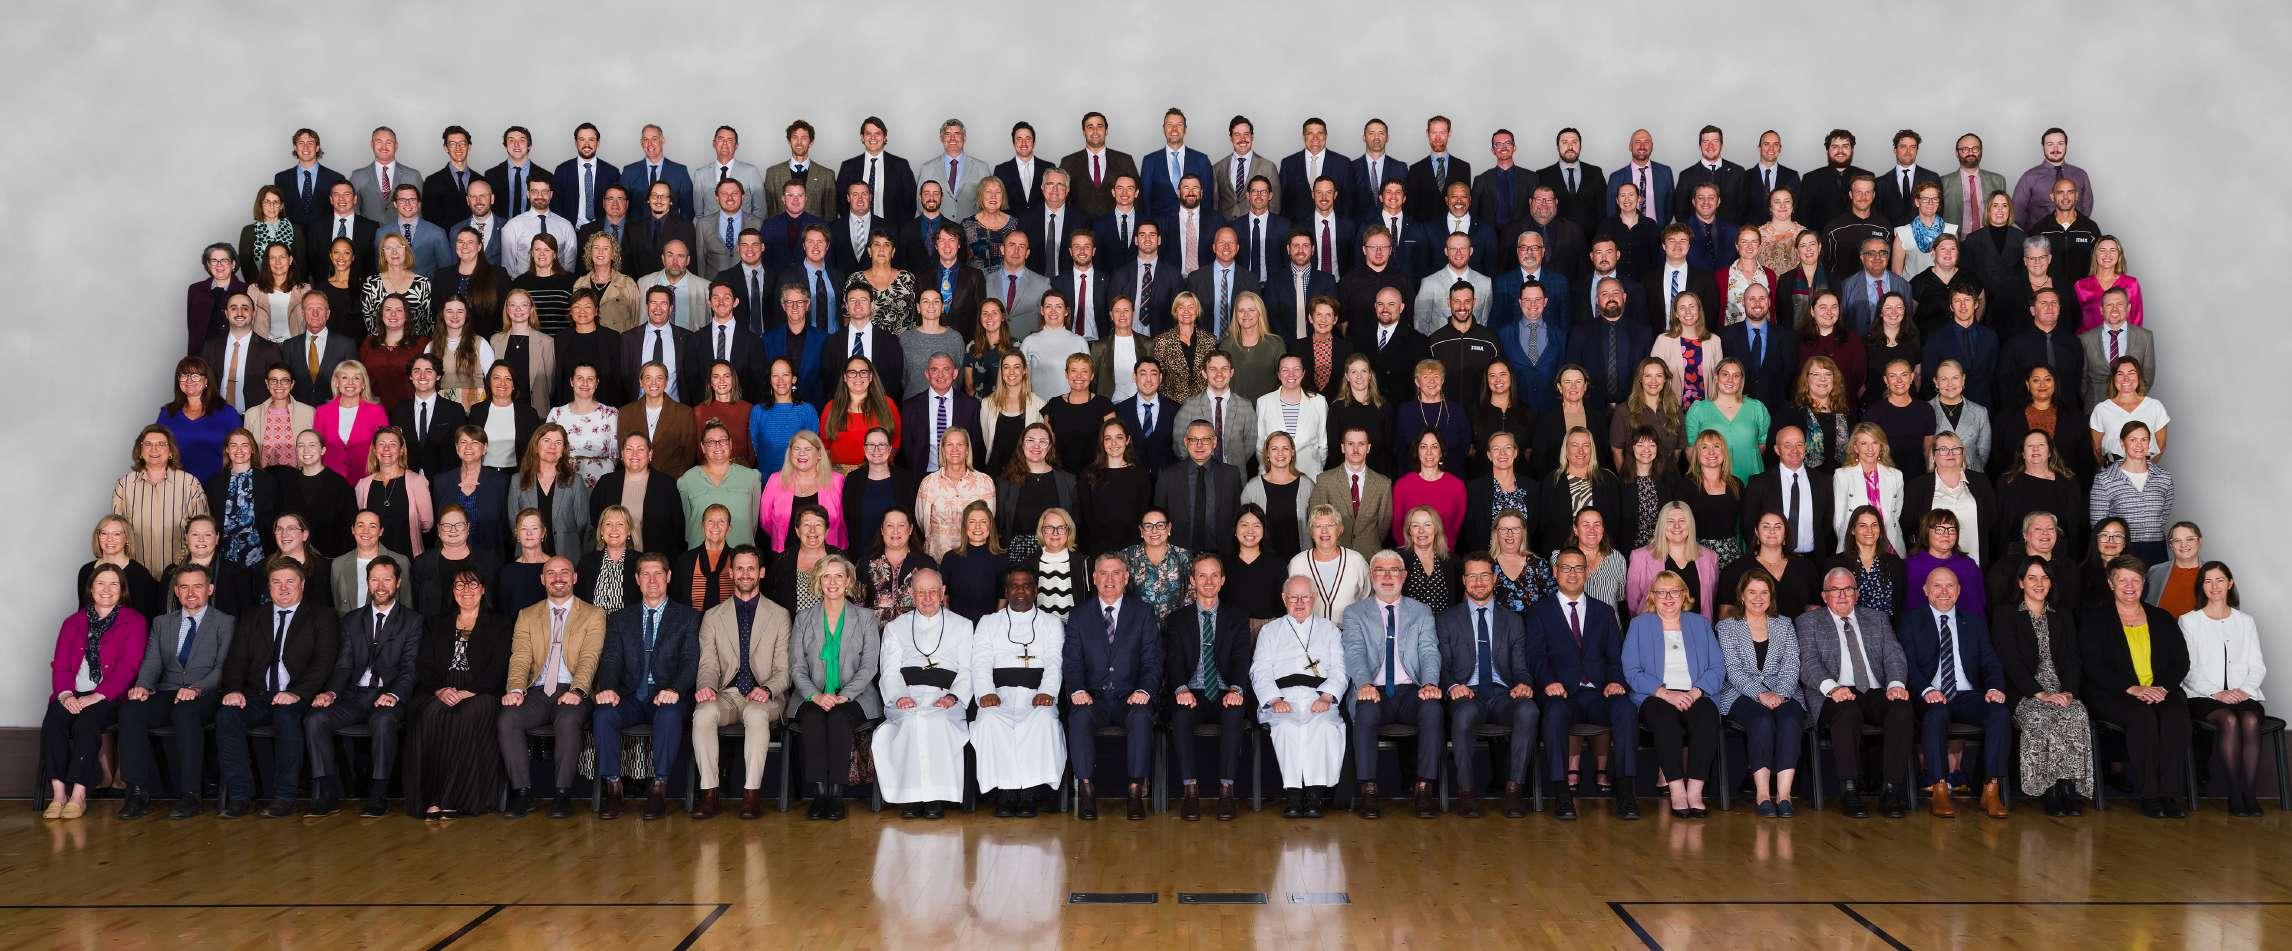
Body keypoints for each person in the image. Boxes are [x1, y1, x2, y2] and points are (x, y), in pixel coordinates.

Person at [214, 557, 341, 818]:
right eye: (276, 582)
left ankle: (285, 796)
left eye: (290, 581)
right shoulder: (253, 616)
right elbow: (237, 659)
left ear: (302, 585)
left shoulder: (322, 616)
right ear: (269, 586)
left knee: (285, 717)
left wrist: (297, 693)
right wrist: (234, 689)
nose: (283, 588)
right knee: (227, 716)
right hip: (258, 694)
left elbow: (323, 663)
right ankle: (239, 796)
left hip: (300, 695)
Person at [302, 558, 421, 817]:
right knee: (315, 719)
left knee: (383, 721)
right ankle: (327, 790)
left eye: (387, 579)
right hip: (354, 696)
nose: (380, 586)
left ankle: (378, 794)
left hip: (389, 697)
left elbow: (410, 669)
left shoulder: (412, 621)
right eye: (374, 579)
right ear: (367, 583)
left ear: (398, 583)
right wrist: (331, 692)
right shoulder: (352, 620)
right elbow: (344, 665)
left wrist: (393, 694)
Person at [115, 564, 233, 820]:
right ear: (177, 592)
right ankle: (137, 792)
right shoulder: (162, 623)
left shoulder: (225, 622)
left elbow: (223, 668)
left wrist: (196, 688)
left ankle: (190, 795)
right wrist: (143, 685)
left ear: (210, 589)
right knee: (131, 711)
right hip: (168, 690)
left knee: (185, 712)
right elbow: (152, 661)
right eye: (184, 587)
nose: (191, 593)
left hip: (207, 692)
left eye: (198, 586)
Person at [1797, 566, 1915, 819]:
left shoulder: (1877, 618)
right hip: (1833, 692)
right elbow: (1808, 663)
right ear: (1824, 596)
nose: (1842, 595)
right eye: (1834, 590)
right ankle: (1850, 790)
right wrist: (1833, 688)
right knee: (1847, 712)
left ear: (1857, 593)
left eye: (1848, 589)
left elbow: (1894, 655)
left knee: (1902, 710)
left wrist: (1896, 684)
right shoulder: (1808, 622)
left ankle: (1891, 790)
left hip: (1875, 690)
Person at [590, 553, 700, 821]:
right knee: (603, 714)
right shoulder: (620, 618)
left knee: (669, 715)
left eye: (658, 573)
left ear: (668, 577)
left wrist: (675, 690)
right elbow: (611, 658)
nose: (652, 580)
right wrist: (608, 687)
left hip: (667, 695)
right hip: (629, 695)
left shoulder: (687, 617)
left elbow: (690, 661)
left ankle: (659, 788)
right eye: (646, 574)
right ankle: (613, 787)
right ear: (637, 579)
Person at [1897, 567, 2013, 819]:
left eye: (1950, 586)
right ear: (1926, 590)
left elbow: (1991, 662)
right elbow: (1907, 665)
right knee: (1936, 714)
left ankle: (1991, 789)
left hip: (1966, 694)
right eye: (1937, 586)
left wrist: (1994, 688)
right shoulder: (1910, 621)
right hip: (1929, 695)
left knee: (1999, 713)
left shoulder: (1974, 622)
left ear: (1959, 591)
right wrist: (1927, 690)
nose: (1944, 592)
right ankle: (1939, 788)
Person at [2081, 557, 2191, 819]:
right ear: (2111, 584)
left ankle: (2170, 794)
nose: (2129, 586)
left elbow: (2180, 661)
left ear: (2143, 583)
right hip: (2115, 693)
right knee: (2142, 717)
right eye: (2122, 580)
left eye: (2135, 580)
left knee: (2175, 715)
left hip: (2160, 690)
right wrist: (2132, 688)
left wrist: (2162, 688)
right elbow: (2092, 665)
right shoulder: (2096, 619)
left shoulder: (2162, 618)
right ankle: (2150, 795)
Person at [495, 556, 604, 819]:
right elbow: (520, 657)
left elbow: (590, 658)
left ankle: (562, 794)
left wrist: (577, 691)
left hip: (574, 690)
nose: (558, 578)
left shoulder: (593, 614)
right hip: (537, 691)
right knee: (508, 719)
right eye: (551, 573)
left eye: (564, 572)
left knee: (567, 720)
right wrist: (515, 690)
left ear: (574, 578)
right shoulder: (527, 615)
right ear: (542, 579)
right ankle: (522, 793)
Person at [1438, 553, 1544, 818]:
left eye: (1484, 575)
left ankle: (1514, 790)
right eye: (1472, 576)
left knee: (1528, 710)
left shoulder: (1512, 621)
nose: (1479, 582)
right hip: (1467, 693)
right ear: (1463, 581)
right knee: (1463, 714)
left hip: (1502, 694)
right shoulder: (1447, 619)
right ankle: (1466, 793)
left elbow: (1521, 668)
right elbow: (1442, 667)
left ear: (1495, 579)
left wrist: (1524, 684)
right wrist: (1452, 686)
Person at [688, 546, 791, 820]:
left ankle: (751, 794)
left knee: (756, 715)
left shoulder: (779, 615)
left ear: (761, 573)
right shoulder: (713, 616)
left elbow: (784, 670)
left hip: (764, 695)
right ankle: (709, 793)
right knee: (703, 713)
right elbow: (708, 664)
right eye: (740, 568)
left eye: (751, 568)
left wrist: (767, 689)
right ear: (731, 573)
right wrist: (706, 686)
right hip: (727, 693)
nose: (745, 574)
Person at [1341, 550, 1445, 818]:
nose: (1387, 577)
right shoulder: (1354, 613)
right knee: (1365, 710)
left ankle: (1424, 787)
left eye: (1394, 571)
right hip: (1374, 690)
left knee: (1433, 708)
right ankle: (1368, 789)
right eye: (1380, 570)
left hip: (1411, 690)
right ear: (1371, 575)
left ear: (1404, 576)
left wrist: (1430, 683)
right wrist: (1363, 684)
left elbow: (1429, 651)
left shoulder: (1421, 612)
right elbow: (1354, 652)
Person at [40, 565, 150, 820]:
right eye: (101, 583)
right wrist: (65, 695)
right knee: (53, 721)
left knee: (87, 723)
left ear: (122, 590)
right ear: (91, 588)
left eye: (114, 584)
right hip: (71, 693)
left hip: (109, 695)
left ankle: (79, 795)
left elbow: (129, 666)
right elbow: (61, 664)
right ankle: (58, 794)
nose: (106, 589)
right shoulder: (73, 622)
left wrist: (97, 695)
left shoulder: (134, 621)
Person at [1061, 552, 1163, 820]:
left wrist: (1144, 690)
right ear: (1094, 578)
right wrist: (1077, 690)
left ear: (1126, 577)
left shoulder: (1142, 613)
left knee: (1141, 717)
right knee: (1079, 717)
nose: (1109, 579)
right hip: (1092, 698)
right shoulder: (1079, 615)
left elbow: (1152, 661)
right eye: (1103, 573)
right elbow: (1072, 662)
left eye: (1116, 573)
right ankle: (1086, 791)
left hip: (1130, 697)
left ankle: (1135, 791)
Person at [868, 568, 972, 819]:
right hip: (907, 695)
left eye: (933, 592)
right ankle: (911, 797)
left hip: (945, 696)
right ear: (912, 595)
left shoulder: (962, 625)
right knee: (911, 721)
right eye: (921, 593)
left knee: (937, 721)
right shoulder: (895, 628)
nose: (927, 598)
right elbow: (889, 671)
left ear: (942, 592)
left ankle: (935, 797)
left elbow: (968, 670)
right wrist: (899, 696)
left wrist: (953, 697)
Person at [1994, 556, 2092, 817]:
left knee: (2075, 713)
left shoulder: (2063, 615)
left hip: (2061, 688)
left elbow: (2072, 659)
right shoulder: (2006, 614)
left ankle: (2068, 786)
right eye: (2032, 578)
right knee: (2043, 714)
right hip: (2025, 691)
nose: (2039, 583)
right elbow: (2010, 661)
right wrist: (2040, 693)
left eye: (2045, 578)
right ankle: (2049, 788)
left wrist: (2068, 692)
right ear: (2021, 582)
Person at [1158, 554, 1253, 821]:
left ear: (1222, 580)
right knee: (1179, 715)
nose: (1208, 581)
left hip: (1225, 691)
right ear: (1192, 581)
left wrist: (1236, 689)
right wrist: (1180, 688)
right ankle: (1190, 792)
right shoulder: (1178, 619)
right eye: (1202, 575)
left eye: (1214, 576)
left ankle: (1226, 792)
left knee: (1235, 714)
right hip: (1191, 691)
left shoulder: (1237, 617)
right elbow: (1174, 659)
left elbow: (1241, 658)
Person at [1623, 571, 1725, 818]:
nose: (1668, 597)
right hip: (1656, 695)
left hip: (1696, 693)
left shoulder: (1700, 624)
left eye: (1674, 592)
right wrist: (1665, 694)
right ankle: (1677, 789)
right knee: (1665, 722)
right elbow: (1631, 670)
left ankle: (1695, 791)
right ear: (1652, 596)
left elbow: (1717, 667)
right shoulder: (1639, 625)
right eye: (1661, 592)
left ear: (1684, 595)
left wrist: (1696, 692)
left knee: (1706, 719)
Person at [790, 555, 880, 821]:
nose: (832, 582)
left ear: (848, 581)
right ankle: (820, 796)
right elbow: (796, 666)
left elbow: (869, 666)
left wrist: (845, 695)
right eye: (826, 576)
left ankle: (837, 795)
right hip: (811, 695)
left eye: (838, 576)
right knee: (814, 719)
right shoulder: (803, 618)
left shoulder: (865, 618)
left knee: (839, 719)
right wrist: (815, 695)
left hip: (855, 696)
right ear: (818, 581)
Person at [1255, 575, 1350, 818]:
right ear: (1284, 599)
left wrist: (1327, 697)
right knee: (1287, 728)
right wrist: (1275, 700)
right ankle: (1294, 795)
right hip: (1282, 698)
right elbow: (1260, 670)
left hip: (1319, 696)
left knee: (1324, 726)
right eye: (1293, 597)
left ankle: (1315, 795)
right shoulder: (1270, 631)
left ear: (1314, 599)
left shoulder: (1329, 630)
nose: (1299, 603)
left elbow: (1340, 669)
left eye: (1305, 597)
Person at [2181, 562, 2271, 817]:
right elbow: (2189, 668)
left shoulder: (2245, 621)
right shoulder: (2189, 621)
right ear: (2201, 586)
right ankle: (2234, 794)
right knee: (2229, 720)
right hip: (2203, 695)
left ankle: (2249, 794)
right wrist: (2217, 693)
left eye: (2220, 580)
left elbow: (2257, 665)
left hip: (2242, 693)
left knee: (2251, 719)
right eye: (2208, 581)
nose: (2214, 586)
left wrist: (2245, 690)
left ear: (2230, 583)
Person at [1717, 568, 1804, 817]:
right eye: (1752, 592)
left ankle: (1784, 796)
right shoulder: (1726, 627)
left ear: (1771, 596)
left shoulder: (1784, 624)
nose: (1758, 598)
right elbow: (1732, 670)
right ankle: (1763, 794)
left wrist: (1781, 693)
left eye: (1764, 592)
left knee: (1790, 718)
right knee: (1761, 719)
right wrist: (1760, 694)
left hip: (1783, 690)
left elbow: (1792, 664)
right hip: (1740, 692)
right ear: (1741, 595)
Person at [112, 427, 211, 579]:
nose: (154, 449)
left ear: (171, 451)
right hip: (136, 574)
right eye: (148, 444)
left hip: (180, 574)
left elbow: (203, 532)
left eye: (161, 444)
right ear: (140, 451)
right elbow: (116, 534)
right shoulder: (124, 485)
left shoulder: (189, 483)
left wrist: (185, 566)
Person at [2089, 421, 2174, 565]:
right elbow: (2098, 524)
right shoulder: (2105, 479)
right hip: (2121, 551)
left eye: (2144, 439)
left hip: (2156, 549)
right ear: (2122, 443)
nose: (2139, 444)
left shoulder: (2164, 477)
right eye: (2133, 439)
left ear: (2149, 443)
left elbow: (2163, 515)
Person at [509, 423, 592, 559]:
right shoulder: (517, 480)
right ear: (536, 446)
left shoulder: (575, 481)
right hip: (528, 557)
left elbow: (582, 524)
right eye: (546, 441)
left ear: (563, 449)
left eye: (558, 442)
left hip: (566, 557)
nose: (552, 446)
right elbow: (514, 521)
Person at [1720, 512, 1821, 619]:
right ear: (1757, 532)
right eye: (1766, 526)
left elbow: (1814, 609)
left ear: (1785, 533)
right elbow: (1725, 614)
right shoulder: (1735, 569)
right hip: (1751, 629)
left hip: (1799, 629)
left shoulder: (1806, 567)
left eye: (1778, 527)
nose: (1772, 531)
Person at [1627, 502, 1719, 620]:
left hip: (1698, 629)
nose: (1677, 526)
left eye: (1682, 521)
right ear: (1662, 526)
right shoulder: (1640, 557)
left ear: (1690, 524)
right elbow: (1633, 605)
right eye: (1670, 521)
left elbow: (1711, 599)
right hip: (1654, 629)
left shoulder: (1710, 557)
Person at [157, 357, 243, 482]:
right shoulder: (167, 413)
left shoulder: (227, 413)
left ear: (206, 380)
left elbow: (241, 451)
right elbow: (157, 449)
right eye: (184, 375)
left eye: (195, 376)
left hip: (217, 484)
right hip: (176, 484)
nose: (189, 380)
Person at [1684, 358, 1771, 478]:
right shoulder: (1698, 410)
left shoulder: (1757, 408)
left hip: (1751, 478)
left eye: (1736, 376)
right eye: (1725, 374)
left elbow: (1762, 445)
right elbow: (1691, 450)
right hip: (1713, 481)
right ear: (1716, 377)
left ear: (1741, 380)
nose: (1730, 380)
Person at [1831, 424, 1907, 555]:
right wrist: (1850, 543)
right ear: (1855, 447)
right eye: (1864, 443)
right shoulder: (1842, 475)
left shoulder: (1896, 475)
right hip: (1854, 545)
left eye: (1875, 443)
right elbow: (1839, 520)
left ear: (1881, 446)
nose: (1870, 449)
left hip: (1889, 544)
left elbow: (1895, 514)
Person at [2087, 353, 2168, 466]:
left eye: (2131, 373)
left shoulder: (2155, 406)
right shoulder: (2101, 410)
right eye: (2120, 374)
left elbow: (2161, 446)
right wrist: (2113, 470)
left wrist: (2141, 468)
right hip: (2112, 470)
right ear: (2113, 378)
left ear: (2139, 376)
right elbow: (2097, 449)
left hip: (2146, 469)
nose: (2126, 378)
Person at [1608, 358, 1684, 472]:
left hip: (1669, 477)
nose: (1653, 381)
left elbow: (1678, 449)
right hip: (1635, 477)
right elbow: (1616, 451)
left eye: (1659, 376)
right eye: (1648, 376)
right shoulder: (1623, 411)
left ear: (1665, 379)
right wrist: (1626, 479)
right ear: (1640, 379)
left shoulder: (1675, 410)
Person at [673, 504, 736, 613]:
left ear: (729, 528)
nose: (715, 526)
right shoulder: (685, 560)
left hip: (730, 622)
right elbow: (676, 600)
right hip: (692, 622)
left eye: (721, 522)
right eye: (710, 521)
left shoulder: (738, 559)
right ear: (703, 525)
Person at [2073, 236, 2143, 332]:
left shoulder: (2131, 284)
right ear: (2095, 255)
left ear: (2119, 255)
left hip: (2123, 340)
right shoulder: (2081, 285)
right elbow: (2074, 321)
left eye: (2112, 250)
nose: (2107, 255)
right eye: (2102, 250)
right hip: (2088, 340)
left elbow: (2137, 320)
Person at [1398, 506, 1459, 614]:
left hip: (1444, 623)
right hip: (1410, 623)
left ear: (1436, 529)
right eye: (1415, 525)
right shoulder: (1398, 560)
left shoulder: (1452, 561)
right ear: (1409, 531)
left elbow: (1458, 600)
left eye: (1427, 525)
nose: (1421, 530)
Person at [2149, 522, 2207, 617]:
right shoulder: (2155, 572)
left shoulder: (2213, 573)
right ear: (2171, 545)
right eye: (2177, 540)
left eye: (2190, 539)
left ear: (2199, 541)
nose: (2184, 545)